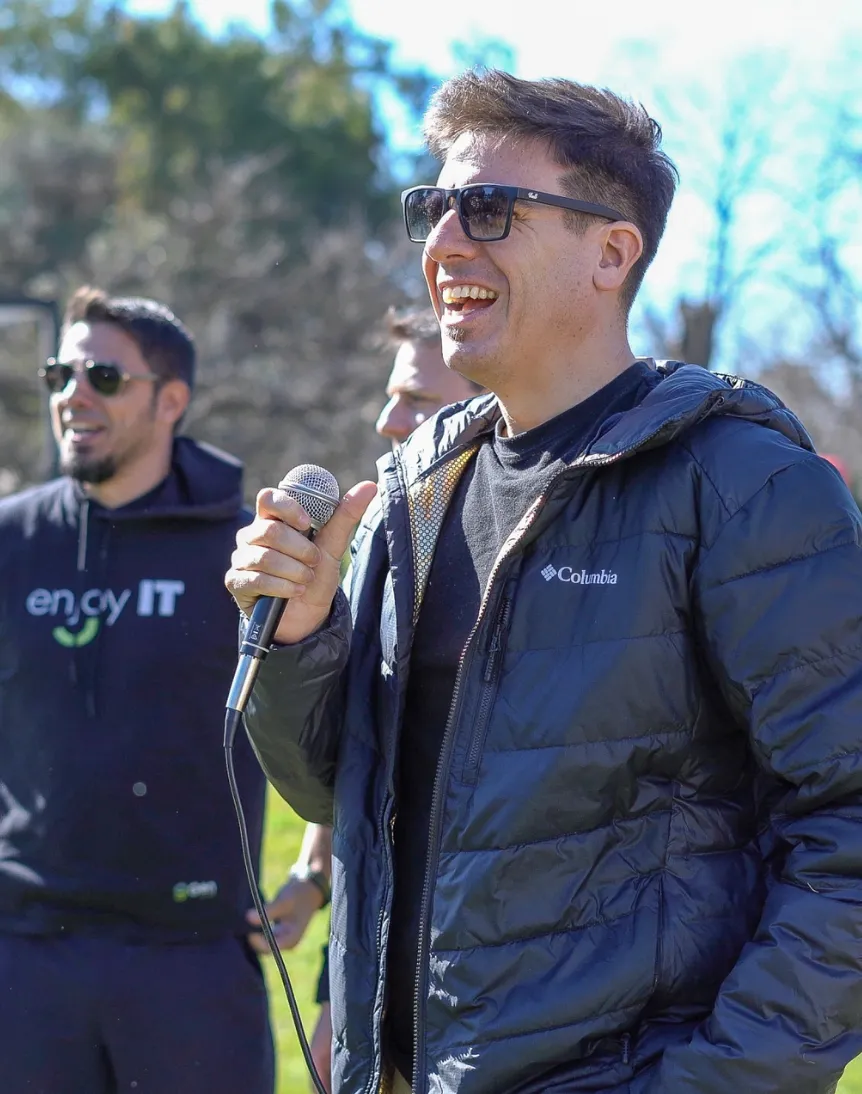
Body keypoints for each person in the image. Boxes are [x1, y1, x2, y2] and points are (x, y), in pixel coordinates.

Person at [226, 69, 862, 1094]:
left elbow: (848, 825)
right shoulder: (416, 489)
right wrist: (302, 642)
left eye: (487, 208)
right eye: (430, 207)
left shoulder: (742, 484)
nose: (442, 243)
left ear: (613, 251)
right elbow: (343, 799)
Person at [0, 286, 274, 1093]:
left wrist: (317, 874)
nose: (71, 396)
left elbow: (331, 728)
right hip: (26, 954)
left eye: (102, 377)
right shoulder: (11, 541)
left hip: (189, 956)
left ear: (171, 400)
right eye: (59, 375)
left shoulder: (243, 552)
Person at [245, 305, 483, 1092]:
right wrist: (315, 884)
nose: (388, 421)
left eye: (415, 399)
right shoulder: (379, 536)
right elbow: (356, 756)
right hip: (378, 963)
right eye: (389, 395)